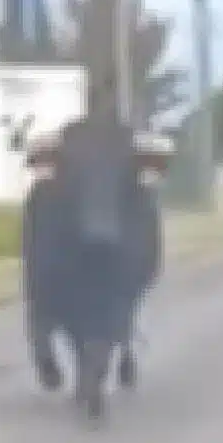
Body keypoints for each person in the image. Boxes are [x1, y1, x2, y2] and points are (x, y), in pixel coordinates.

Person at [18, 122, 163, 418]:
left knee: (109, 308)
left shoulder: (140, 201)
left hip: (116, 255)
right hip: (78, 251)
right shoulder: (45, 199)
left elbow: (147, 262)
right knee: (69, 301)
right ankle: (83, 364)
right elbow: (35, 263)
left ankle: (92, 371)